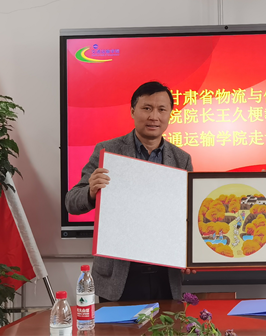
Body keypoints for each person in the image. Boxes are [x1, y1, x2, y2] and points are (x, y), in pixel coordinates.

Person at [65, 81, 193, 302]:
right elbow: (72, 202)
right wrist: (91, 192)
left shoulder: (182, 159)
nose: (154, 116)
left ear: (170, 114)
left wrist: (191, 253)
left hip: (165, 274)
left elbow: (187, 216)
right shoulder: (108, 150)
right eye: (147, 108)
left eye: (161, 109)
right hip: (119, 276)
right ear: (133, 111)